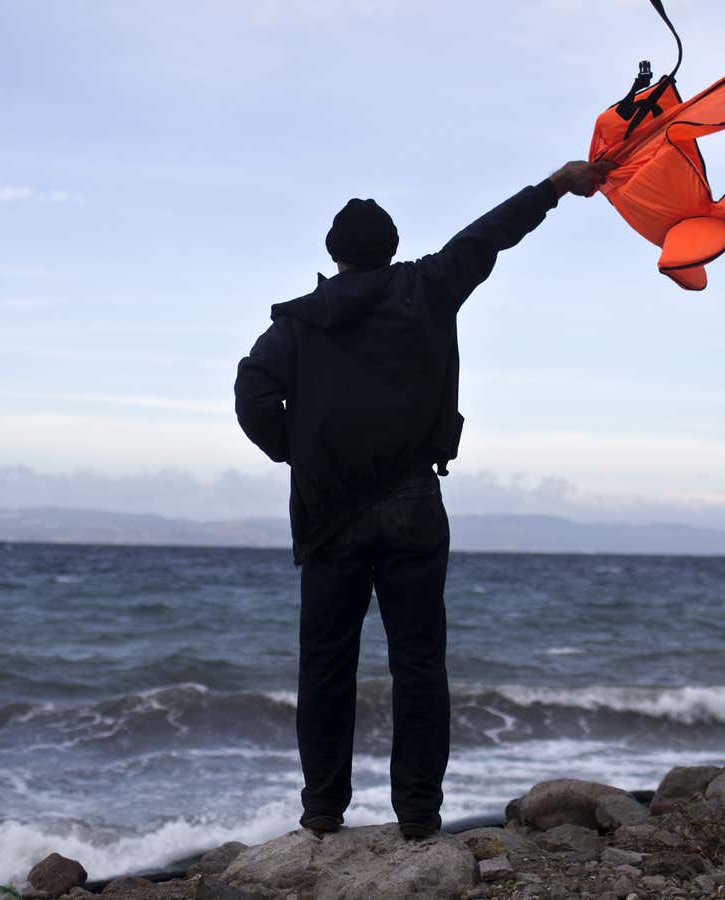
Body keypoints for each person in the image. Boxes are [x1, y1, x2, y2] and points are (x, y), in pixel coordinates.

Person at [233, 160, 612, 840]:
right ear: (389, 246)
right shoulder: (428, 286)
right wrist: (556, 186)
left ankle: (323, 812)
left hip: (327, 514)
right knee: (418, 664)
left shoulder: (302, 322)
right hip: (412, 500)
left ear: (335, 255)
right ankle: (417, 814)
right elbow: (490, 235)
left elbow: (252, 390)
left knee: (325, 665)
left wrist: (298, 449)